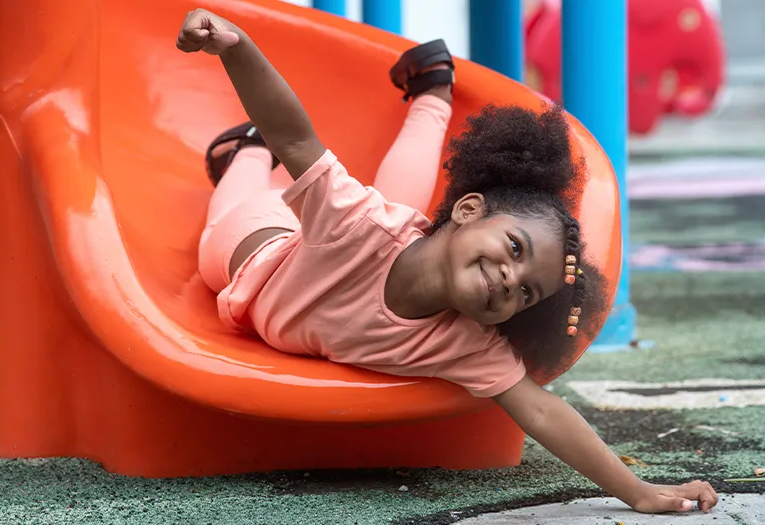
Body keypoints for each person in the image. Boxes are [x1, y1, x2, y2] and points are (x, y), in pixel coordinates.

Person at [177, 8, 718, 514]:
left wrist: (637, 491)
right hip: (259, 246)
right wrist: (236, 47)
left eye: (526, 293)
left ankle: (433, 90)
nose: (510, 280)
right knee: (235, 216)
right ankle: (247, 153)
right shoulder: (357, 223)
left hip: (358, 240)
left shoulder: (465, 342)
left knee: (398, 215)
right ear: (467, 207)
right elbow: (293, 134)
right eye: (515, 249)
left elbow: (542, 410)